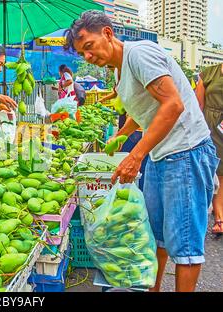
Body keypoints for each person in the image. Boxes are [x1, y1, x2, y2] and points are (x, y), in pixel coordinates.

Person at [64, 10, 219, 292]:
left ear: (108, 34)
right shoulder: (119, 70)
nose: (87, 56)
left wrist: (136, 155)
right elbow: (145, 107)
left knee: (184, 244)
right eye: (81, 53)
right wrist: (122, 136)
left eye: (89, 47)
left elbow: (172, 104)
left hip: (186, 152)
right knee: (156, 237)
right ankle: (153, 289)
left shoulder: (139, 54)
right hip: (162, 155)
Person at [195, 63, 223, 235]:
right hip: (210, 126)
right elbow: (197, 105)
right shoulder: (209, 73)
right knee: (216, 169)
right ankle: (219, 217)